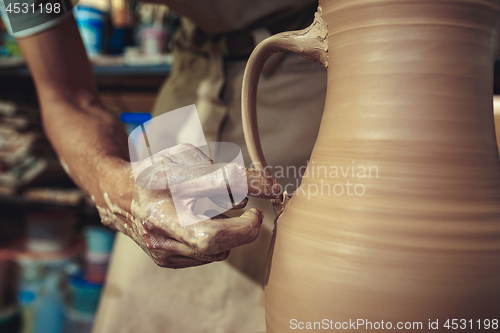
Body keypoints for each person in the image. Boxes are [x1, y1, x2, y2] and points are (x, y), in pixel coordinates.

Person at [0, 1, 327, 331]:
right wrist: (120, 190)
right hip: (196, 65)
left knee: (306, 290)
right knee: (143, 297)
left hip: (318, 62)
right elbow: (66, 97)